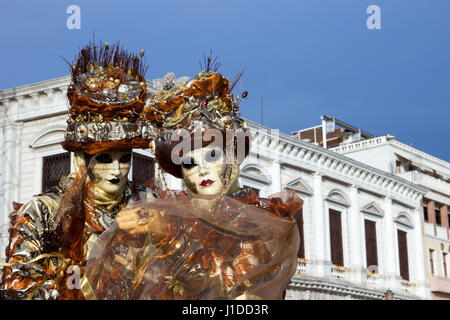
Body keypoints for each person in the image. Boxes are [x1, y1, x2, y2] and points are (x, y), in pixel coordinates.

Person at [84, 62, 303, 300]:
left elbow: (226, 284)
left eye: (212, 155)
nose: (201, 170)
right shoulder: (172, 215)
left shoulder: (266, 223)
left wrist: (169, 236)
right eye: (190, 163)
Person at [0, 41, 156, 300]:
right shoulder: (45, 211)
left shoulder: (147, 203)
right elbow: (16, 284)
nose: (116, 171)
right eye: (104, 159)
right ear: (82, 161)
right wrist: (69, 293)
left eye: (124, 159)